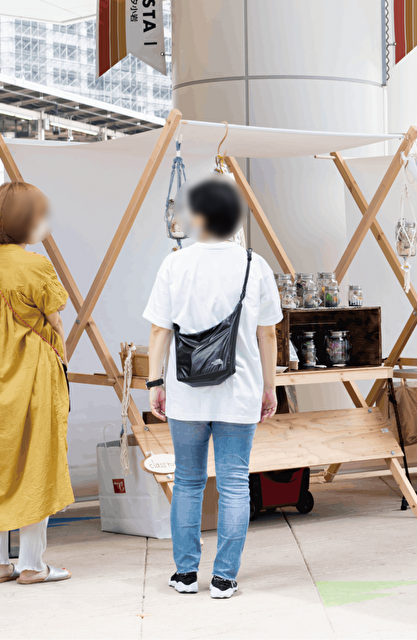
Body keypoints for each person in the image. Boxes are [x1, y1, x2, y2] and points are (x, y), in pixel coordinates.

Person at [144, 177, 283, 597]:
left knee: (187, 481)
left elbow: (158, 333)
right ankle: (224, 577)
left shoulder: (175, 263)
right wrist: (269, 388)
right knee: (234, 482)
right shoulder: (253, 264)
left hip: (185, 391)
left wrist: (155, 382)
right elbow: (269, 336)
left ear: (197, 216)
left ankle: (186, 574)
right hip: (239, 390)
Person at [0, 182, 73, 585]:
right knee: (37, 463)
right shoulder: (37, 266)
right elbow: (56, 319)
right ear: (27, 221)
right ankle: (32, 565)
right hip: (32, 378)